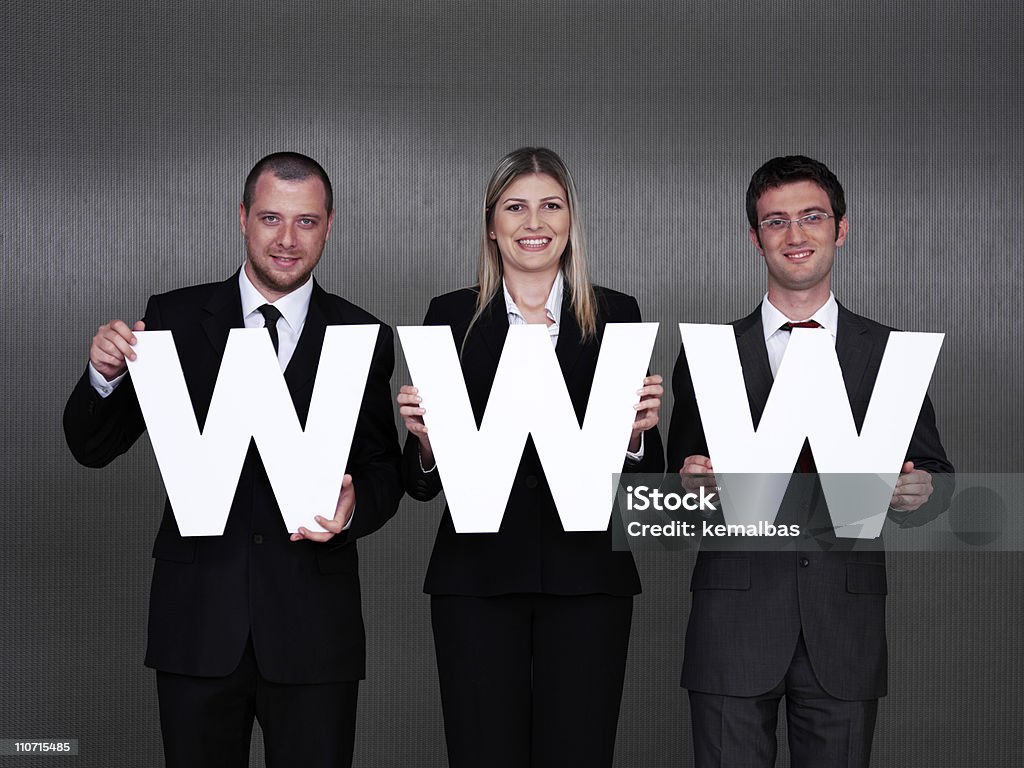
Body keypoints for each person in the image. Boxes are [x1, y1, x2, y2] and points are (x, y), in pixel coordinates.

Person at [62, 152, 403, 768]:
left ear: (329, 226)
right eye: (271, 217)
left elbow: (384, 470)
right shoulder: (175, 319)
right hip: (197, 625)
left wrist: (353, 512)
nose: (286, 239)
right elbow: (91, 447)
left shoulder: (363, 335)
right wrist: (103, 376)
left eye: (305, 221)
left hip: (313, 632)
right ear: (243, 218)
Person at [667, 155, 954, 768]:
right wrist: (691, 489)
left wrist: (920, 491)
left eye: (812, 217)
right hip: (733, 627)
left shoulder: (886, 355)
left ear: (840, 228)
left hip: (843, 628)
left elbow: (936, 477)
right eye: (776, 222)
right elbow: (674, 502)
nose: (795, 236)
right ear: (755, 237)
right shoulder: (710, 356)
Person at [397, 147, 665, 768]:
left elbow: (648, 481)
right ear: (492, 224)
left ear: (572, 219)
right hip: (476, 583)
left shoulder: (616, 314)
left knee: (580, 753)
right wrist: (428, 447)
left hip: (589, 580)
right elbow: (419, 486)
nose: (533, 222)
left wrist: (633, 437)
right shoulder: (451, 316)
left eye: (551, 205)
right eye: (515, 207)